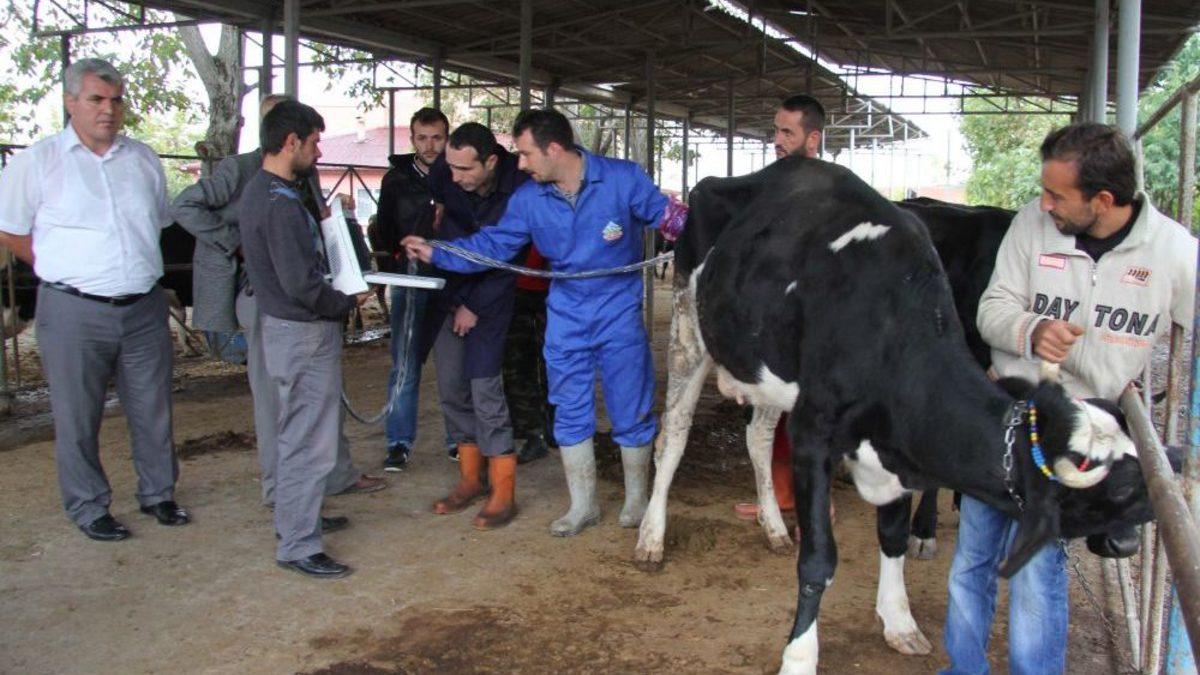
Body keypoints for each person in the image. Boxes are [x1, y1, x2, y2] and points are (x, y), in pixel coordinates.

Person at [942, 122, 1197, 674]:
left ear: (1102, 200)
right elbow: (990, 310)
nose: (1044, 203)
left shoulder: (1174, 252)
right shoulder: (1030, 227)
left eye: (1056, 194)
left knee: (1038, 566)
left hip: (1078, 433)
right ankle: (963, 668)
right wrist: (1032, 330)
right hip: (1005, 417)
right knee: (973, 555)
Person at [404, 108, 668, 537]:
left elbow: (669, 217)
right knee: (569, 405)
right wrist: (439, 252)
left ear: (555, 149)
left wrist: (703, 231)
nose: (521, 163)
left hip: (618, 310)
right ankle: (582, 505)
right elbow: (494, 244)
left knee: (630, 403)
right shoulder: (529, 199)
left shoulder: (623, 179)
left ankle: (637, 500)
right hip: (566, 313)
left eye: (526, 154)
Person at [0, 58, 188, 540]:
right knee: (77, 414)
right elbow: (11, 230)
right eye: (96, 99)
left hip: (143, 307)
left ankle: (159, 494)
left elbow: (157, 224)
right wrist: (57, 265)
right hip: (73, 310)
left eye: (116, 100)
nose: (108, 109)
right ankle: (88, 506)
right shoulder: (37, 162)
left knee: (153, 407)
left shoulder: (143, 160)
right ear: (70, 102)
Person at [171, 93, 385, 505]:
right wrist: (235, 244)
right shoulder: (242, 171)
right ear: (284, 135)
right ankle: (280, 491)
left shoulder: (303, 171)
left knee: (319, 394)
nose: (316, 148)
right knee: (275, 399)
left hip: (310, 294)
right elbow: (185, 205)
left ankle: (333, 476)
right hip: (268, 296)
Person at [238, 99, 372, 579]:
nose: (318, 152)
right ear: (291, 141)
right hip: (302, 331)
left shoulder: (268, 191)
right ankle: (298, 543)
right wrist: (345, 302)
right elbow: (301, 283)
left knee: (299, 432)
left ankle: (300, 516)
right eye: (314, 142)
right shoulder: (279, 203)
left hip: (289, 328)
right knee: (307, 441)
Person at [420, 121, 529, 530]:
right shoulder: (444, 172)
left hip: (492, 300)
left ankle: (503, 490)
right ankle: (470, 477)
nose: (455, 177)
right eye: (450, 167)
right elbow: (431, 214)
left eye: (465, 169)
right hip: (448, 294)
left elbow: (509, 261)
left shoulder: (519, 189)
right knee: (451, 387)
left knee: (485, 389)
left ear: (491, 162)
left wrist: (474, 307)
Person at [733, 93, 828, 522]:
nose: (777, 140)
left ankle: (818, 504)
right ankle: (783, 495)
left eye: (788, 132)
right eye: (775, 131)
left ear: (813, 139)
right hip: (771, 324)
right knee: (768, 411)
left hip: (816, 327)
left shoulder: (831, 191)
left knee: (812, 415)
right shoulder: (768, 187)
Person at [373, 107, 448, 471]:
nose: (430, 146)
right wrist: (399, 257)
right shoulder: (396, 180)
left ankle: (460, 440)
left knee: (454, 365)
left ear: (446, 138)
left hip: (452, 279)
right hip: (410, 278)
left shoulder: (458, 174)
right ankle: (398, 442)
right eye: (422, 138)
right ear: (412, 139)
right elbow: (383, 228)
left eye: (437, 138)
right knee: (405, 362)